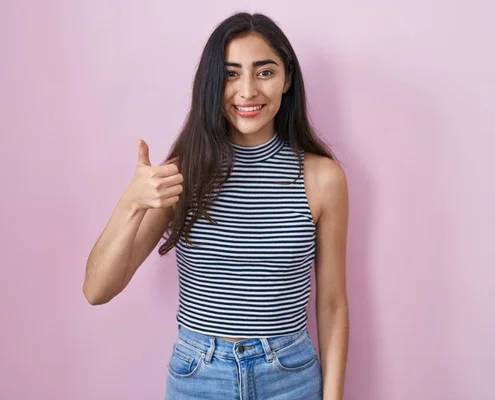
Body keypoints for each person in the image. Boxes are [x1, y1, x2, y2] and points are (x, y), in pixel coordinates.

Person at [83, 12, 349, 400]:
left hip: (289, 376)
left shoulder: (323, 179)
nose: (246, 92)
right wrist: (131, 203)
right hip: (199, 375)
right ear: (212, 83)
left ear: (287, 79)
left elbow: (332, 304)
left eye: (264, 72)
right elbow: (97, 290)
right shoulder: (183, 174)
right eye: (230, 74)